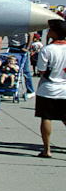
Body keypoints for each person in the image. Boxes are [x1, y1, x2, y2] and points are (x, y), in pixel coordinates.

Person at [34, 17, 66, 158]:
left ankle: (47, 149)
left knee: (46, 118)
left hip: (49, 88)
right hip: (64, 88)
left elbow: (41, 70)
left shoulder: (47, 50)